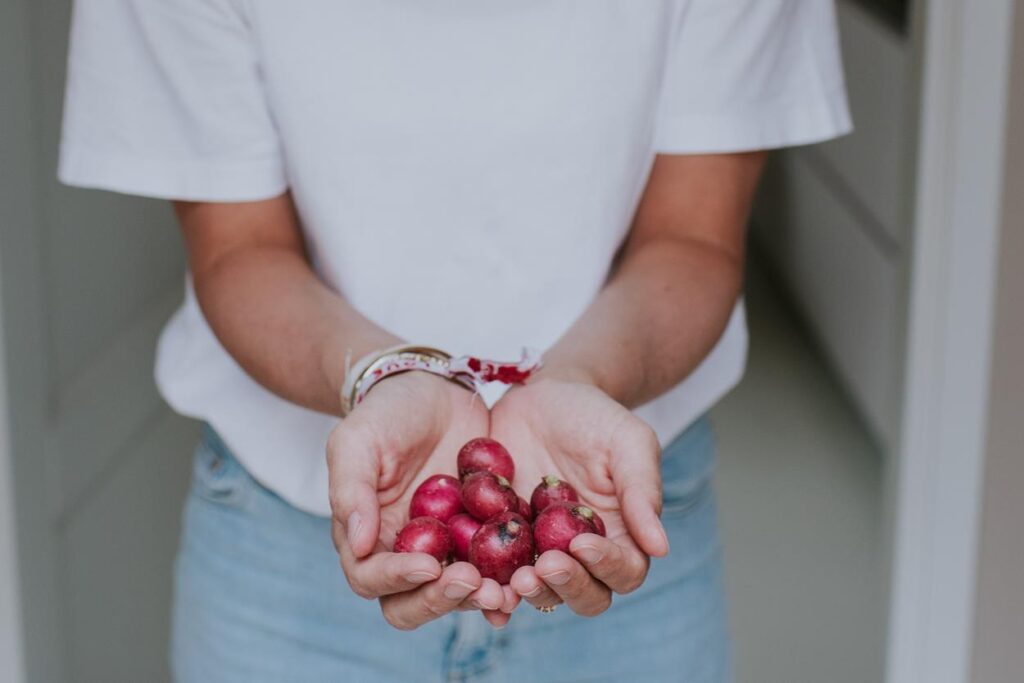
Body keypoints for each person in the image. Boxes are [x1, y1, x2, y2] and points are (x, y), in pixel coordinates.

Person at [59, 1, 850, 680]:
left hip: (616, 507)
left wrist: (580, 377)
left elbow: (693, 238)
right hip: (282, 546)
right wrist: (384, 375)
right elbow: (238, 250)